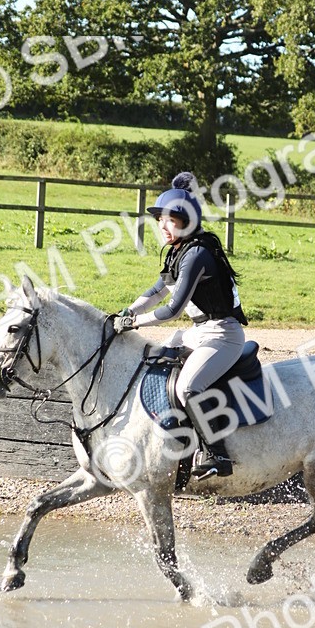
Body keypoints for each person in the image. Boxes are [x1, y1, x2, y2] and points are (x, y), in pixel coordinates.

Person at [114, 172, 247, 479]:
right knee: (153, 364)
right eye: (160, 220)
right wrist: (127, 310)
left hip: (223, 336)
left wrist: (133, 322)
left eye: (170, 220)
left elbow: (172, 309)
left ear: (187, 222)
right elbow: (157, 291)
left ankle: (217, 455)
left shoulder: (197, 254)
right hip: (199, 332)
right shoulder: (179, 250)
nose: (163, 226)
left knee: (188, 387)